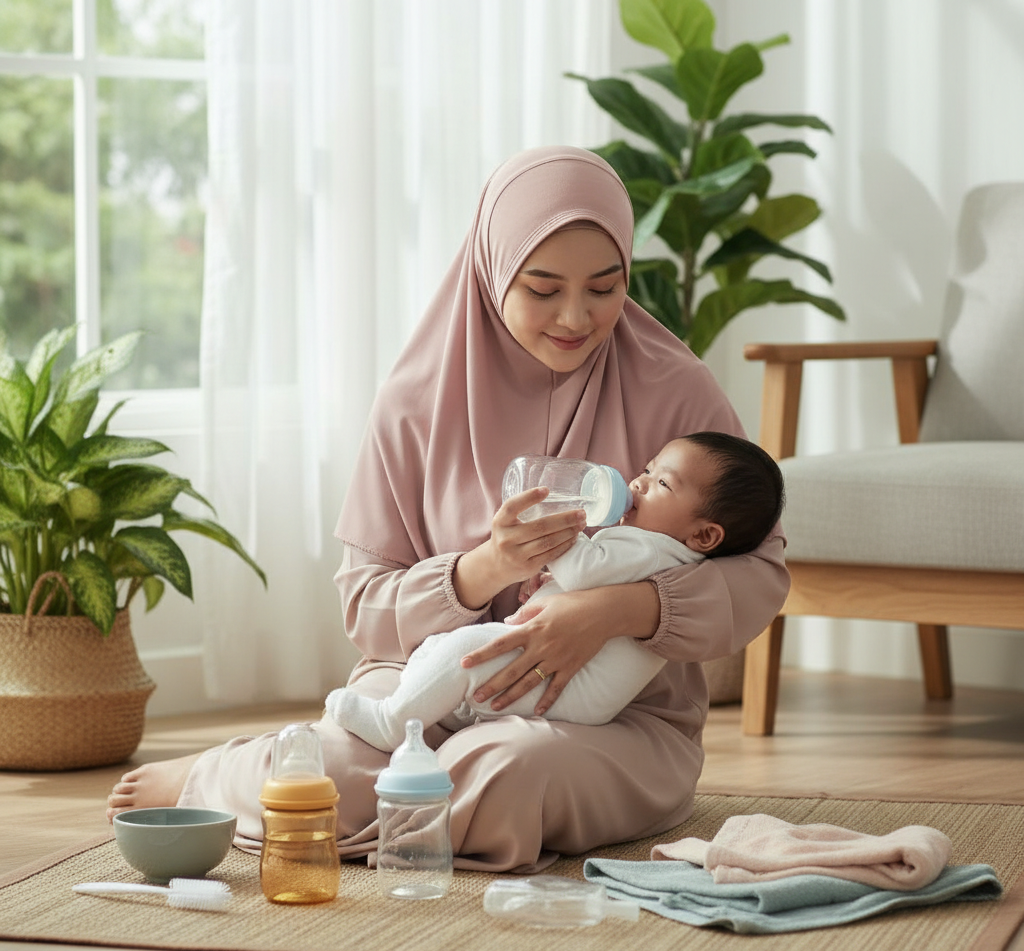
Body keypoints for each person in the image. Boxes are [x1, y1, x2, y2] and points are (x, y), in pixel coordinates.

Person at [107, 146, 789, 873]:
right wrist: (481, 569)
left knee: (509, 770)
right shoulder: (415, 402)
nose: (575, 316)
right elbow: (365, 607)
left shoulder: (677, 393)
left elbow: (760, 577)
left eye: (604, 286)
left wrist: (615, 611)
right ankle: (218, 777)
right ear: (494, 271)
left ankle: (345, 806)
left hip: (615, 724)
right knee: (335, 773)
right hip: (416, 687)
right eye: (542, 287)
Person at [327, 432, 785, 750]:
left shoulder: (658, 552)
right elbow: (585, 578)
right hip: (563, 686)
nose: (639, 482)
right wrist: (547, 580)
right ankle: (429, 709)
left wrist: (554, 524)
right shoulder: (652, 548)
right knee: (444, 648)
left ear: (704, 536)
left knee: (467, 648)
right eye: (647, 469)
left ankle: (391, 723)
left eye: (662, 483)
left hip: (569, 692)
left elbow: (586, 572)